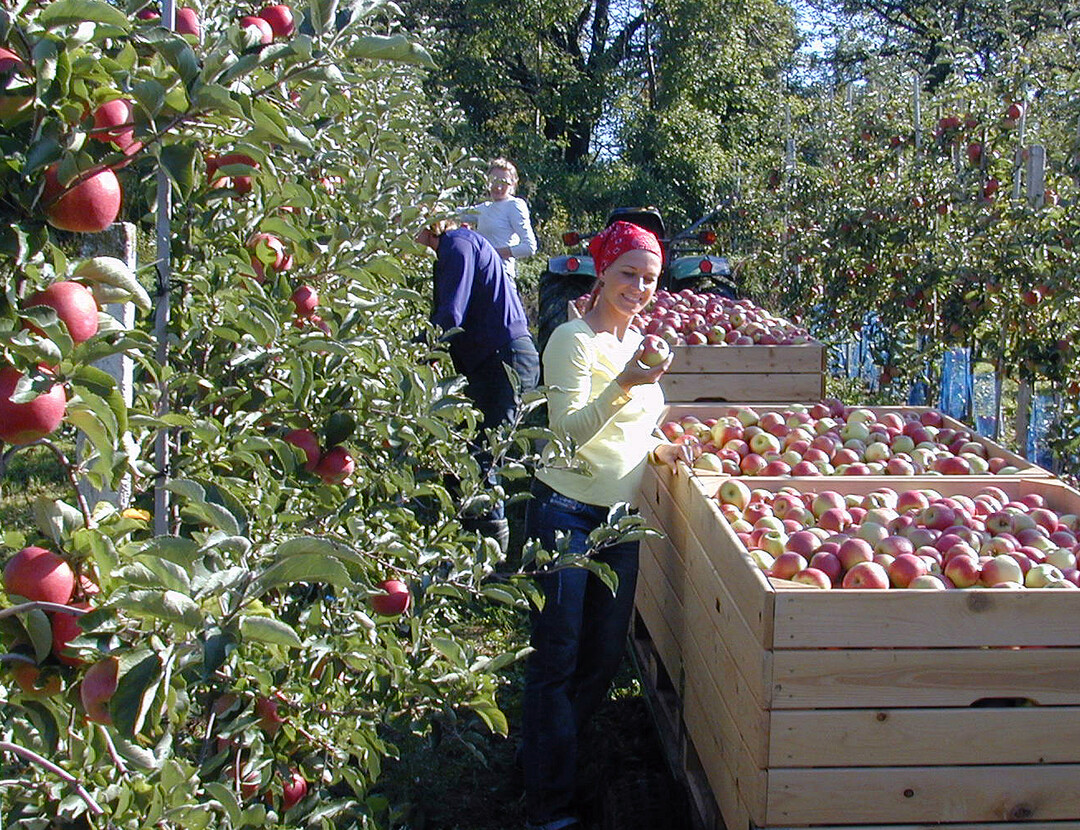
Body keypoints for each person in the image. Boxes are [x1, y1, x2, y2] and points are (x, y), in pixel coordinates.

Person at [520, 221, 698, 830]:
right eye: (628, 273)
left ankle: (554, 762)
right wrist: (625, 384)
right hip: (564, 513)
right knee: (558, 658)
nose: (639, 287)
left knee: (600, 659)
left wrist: (662, 450)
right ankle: (546, 803)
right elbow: (565, 435)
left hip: (619, 524)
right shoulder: (574, 341)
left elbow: (635, 431)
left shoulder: (637, 345)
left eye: (649, 278)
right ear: (602, 273)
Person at [415, 218, 540, 550]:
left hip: (503, 361)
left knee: (481, 456)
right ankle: (468, 542)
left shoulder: (457, 245)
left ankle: (487, 562)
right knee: (472, 449)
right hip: (496, 359)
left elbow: (450, 314)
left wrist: (413, 359)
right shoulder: (460, 245)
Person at [458, 158, 538, 284]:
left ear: (513, 185)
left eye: (504, 183)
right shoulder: (484, 208)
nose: (498, 187)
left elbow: (529, 247)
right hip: (480, 274)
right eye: (494, 181)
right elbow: (455, 214)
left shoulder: (514, 205)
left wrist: (491, 253)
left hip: (501, 276)